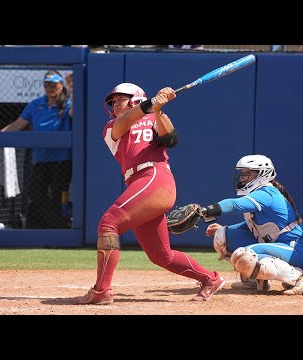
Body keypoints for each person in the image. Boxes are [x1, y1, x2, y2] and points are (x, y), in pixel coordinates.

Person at [74, 82, 225, 305]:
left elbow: (170, 139)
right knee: (161, 256)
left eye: (120, 99)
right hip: (137, 183)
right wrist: (150, 104)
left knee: (109, 224)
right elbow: (124, 122)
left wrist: (158, 109)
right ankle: (210, 279)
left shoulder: (154, 117)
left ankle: (101, 290)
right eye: (113, 102)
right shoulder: (112, 127)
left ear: (135, 99)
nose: (115, 104)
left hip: (155, 177)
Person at [197, 154, 303, 295]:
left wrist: (206, 210)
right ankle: (254, 281)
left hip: (294, 250)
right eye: (242, 173)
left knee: (245, 255)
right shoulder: (258, 194)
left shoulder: (267, 192)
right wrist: (223, 229)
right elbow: (253, 227)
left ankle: (300, 278)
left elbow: (235, 205)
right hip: (275, 246)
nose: (242, 177)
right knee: (222, 236)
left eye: (247, 173)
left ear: (262, 174)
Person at [1, 70, 73, 229]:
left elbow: (75, 113)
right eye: (46, 84)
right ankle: (60, 226)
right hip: (40, 158)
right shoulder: (36, 104)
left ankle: (58, 228)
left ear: (61, 85)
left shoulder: (67, 103)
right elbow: (18, 124)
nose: (49, 88)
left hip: (61, 159)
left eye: (53, 84)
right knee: (35, 193)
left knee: (57, 195)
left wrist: (73, 89)